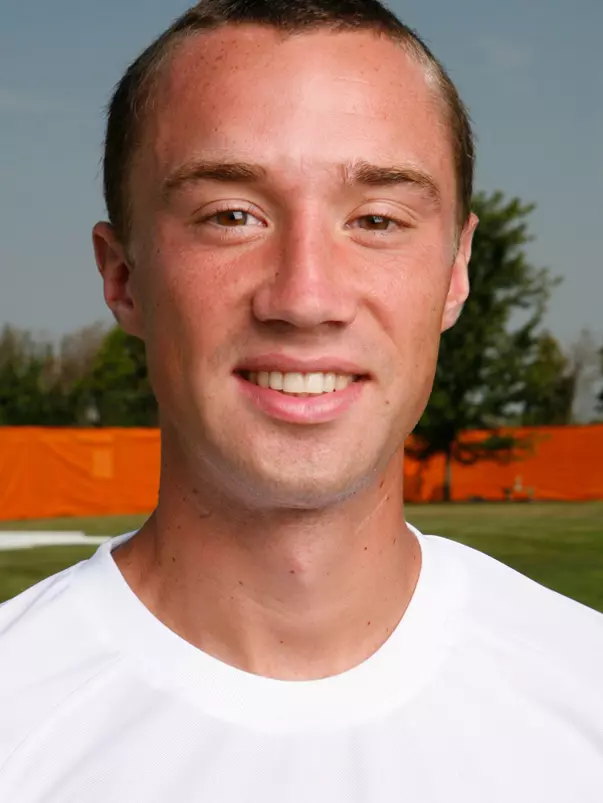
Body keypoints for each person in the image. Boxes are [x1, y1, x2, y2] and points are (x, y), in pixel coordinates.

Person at [1, 0, 602, 799]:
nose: (306, 295)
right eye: (231, 216)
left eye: (377, 219)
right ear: (123, 276)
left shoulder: (581, 691)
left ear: (456, 270)